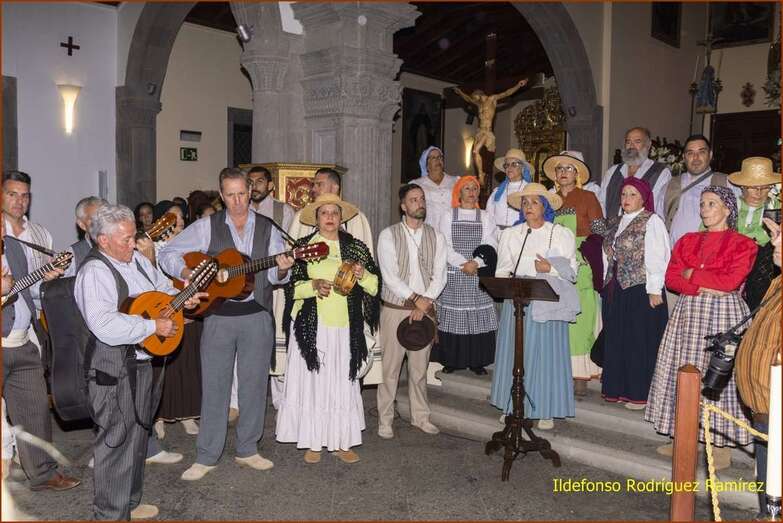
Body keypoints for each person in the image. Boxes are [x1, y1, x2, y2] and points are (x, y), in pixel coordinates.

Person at [158, 167, 295, 482]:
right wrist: (187, 273)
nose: (237, 201)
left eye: (242, 194)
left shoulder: (268, 227)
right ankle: (207, 455)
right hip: (218, 315)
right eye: (230, 195)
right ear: (221, 195)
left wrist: (283, 269)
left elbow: (275, 276)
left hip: (257, 314)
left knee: (254, 386)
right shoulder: (207, 226)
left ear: (250, 192)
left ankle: (248, 449)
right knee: (215, 387)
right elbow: (168, 254)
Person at [74, 204, 203, 519]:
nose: (134, 244)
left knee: (137, 437)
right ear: (103, 240)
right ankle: (110, 514)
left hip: (141, 363)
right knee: (115, 441)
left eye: (133, 237)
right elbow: (104, 324)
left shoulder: (136, 261)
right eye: (127, 239)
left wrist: (182, 297)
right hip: (111, 367)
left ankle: (128, 503)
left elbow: (161, 288)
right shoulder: (94, 272)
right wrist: (152, 326)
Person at [645, 186, 758, 470]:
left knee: (719, 376)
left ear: (727, 209)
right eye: (703, 204)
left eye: (712, 204)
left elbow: (730, 283)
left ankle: (719, 445)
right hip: (689, 314)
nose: (704, 209)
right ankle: (683, 437)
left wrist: (692, 273)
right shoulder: (687, 240)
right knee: (684, 371)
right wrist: (704, 284)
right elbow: (672, 278)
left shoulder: (743, 244)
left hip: (724, 315)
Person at [276, 193, 380, 464]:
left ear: (341, 218)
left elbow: (374, 287)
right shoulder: (303, 248)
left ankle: (341, 442)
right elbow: (291, 289)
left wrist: (363, 275)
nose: (330, 217)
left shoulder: (355, 247)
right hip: (314, 326)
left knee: (341, 384)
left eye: (335, 213)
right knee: (315, 384)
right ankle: (314, 441)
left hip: (346, 327)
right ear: (317, 218)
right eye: (324, 213)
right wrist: (312, 286)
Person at [2, 216, 80, 492]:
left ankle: (43, 473)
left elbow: (25, 290)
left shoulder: (14, 247)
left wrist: (44, 277)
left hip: (23, 341)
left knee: (35, 410)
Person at [490, 183, 578, 430]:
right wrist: (505, 285)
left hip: (546, 299)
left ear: (545, 206)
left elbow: (572, 272)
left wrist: (549, 268)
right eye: (524, 203)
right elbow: (502, 270)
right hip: (517, 301)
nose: (528, 207)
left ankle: (545, 409)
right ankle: (512, 405)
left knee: (545, 357)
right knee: (515, 354)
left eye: (534, 202)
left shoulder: (559, 233)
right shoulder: (511, 234)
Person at [376, 183, 447, 439]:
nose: (420, 203)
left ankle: (421, 417)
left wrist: (425, 302)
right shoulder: (388, 235)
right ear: (403, 206)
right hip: (396, 309)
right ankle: (385, 420)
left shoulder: (437, 236)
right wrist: (416, 300)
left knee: (419, 371)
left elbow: (441, 275)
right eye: (414, 199)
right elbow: (390, 276)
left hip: (425, 309)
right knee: (390, 370)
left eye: (422, 199)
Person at [598, 178, 670, 409]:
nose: (626, 198)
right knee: (617, 338)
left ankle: (639, 393)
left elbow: (659, 255)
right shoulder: (615, 222)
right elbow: (607, 255)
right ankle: (617, 389)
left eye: (632, 194)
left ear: (643, 198)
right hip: (616, 288)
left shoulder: (651, 221)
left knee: (638, 340)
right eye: (623, 194)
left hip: (641, 288)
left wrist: (654, 289)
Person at [542, 151, 604, 395]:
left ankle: (580, 374)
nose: (564, 172)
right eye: (560, 168)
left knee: (580, 317)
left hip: (580, 260)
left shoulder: (588, 197)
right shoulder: (549, 201)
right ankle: (558, 370)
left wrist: (586, 254)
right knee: (557, 314)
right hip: (552, 262)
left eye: (569, 168)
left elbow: (599, 232)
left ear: (577, 174)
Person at [143, 201, 201, 439]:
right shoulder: (151, 247)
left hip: (188, 307)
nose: (180, 222)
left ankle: (187, 414)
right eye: (173, 218)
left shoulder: (191, 245)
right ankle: (158, 417)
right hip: (162, 309)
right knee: (162, 368)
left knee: (187, 364)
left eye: (182, 217)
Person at [735, 216, 781, 518]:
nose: (775, 242)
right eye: (777, 235)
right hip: (763, 405)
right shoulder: (777, 281)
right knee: (767, 482)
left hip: (777, 409)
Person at [432, 176, 498, 375]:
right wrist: (463, 264)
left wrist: (476, 262)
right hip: (455, 272)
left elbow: (491, 243)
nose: (471, 192)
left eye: (475, 188)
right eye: (467, 188)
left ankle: (477, 361)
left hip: (478, 272)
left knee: (476, 316)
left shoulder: (485, 216)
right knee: (455, 317)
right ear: (459, 193)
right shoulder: (448, 215)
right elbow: (444, 244)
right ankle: (453, 360)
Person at [664, 135, 727, 314]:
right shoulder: (671, 185)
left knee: (707, 316)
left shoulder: (725, 182)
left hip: (712, 265)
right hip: (676, 263)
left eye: (701, 152)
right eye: (690, 153)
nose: (696, 158)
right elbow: (661, 220)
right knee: (675, 317)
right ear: (684, 157)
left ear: (710, 155)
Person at [728, 156, 781, 310]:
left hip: (764, 281)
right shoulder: (726, 207)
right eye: (753, 187)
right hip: (729, 279)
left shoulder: (777, 210)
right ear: (742, 186)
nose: (758, 193)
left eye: (764, 187)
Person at [453, 79, 527, 181]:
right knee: (475, 152)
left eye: (474, 97)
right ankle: (481, 174)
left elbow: (506, 93)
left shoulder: (492, 99)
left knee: (482, 153)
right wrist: (460, 92)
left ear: (478, 94)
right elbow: (468, 99)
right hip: (480, 132)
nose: (474, 100)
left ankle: (482, 174)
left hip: (487, 132)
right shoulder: (478, 104)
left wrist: (518, 85)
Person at [3, 170, 55, 310]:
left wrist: (49, 281)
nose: (19, 201)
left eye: (24, 196)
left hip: (33, 315)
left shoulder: (42, 234)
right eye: (12, 194)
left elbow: (41, 288)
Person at [289, 168, 374, 253]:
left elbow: (365, 256)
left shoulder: (357, 218)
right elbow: (290, 253)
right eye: (313, 185)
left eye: (319, 184)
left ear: (334, 188)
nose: (313, 189)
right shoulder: (300, 216)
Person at [599, 127, 671, 221]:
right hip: (611, 228)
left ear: (648, 145)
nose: (631, 146)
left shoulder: (660, 173)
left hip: (644, 228)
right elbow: (601, 205)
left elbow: (660, 210)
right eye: (628, 142)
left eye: (637, 142)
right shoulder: (612, 172)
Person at [410, 146, 459, 230]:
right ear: (426, 164)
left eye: (440, 157)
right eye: (433, 158)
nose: (438, 160)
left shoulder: (456, 181)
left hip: (453, 228)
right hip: (429, 229)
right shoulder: (417, 184)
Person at [486, 148, 532, 229]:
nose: (509, 168)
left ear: (522, 168)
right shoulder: (497, 192)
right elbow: (488, 216)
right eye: (507, 165)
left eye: (514, 164)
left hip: (520, 233)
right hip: (498, 234)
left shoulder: (530, 190)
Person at [64, 196, 108, 277]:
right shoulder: (73, 254)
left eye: (106, 217)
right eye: (95, 220)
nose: (102, 223)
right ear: (82, 225)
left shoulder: (124, 244)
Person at [247, 165, 295, 230]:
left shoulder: (284, 211)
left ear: (270, 185)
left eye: (259, 182)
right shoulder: (240, 207)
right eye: (250, 182)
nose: (254, 186)